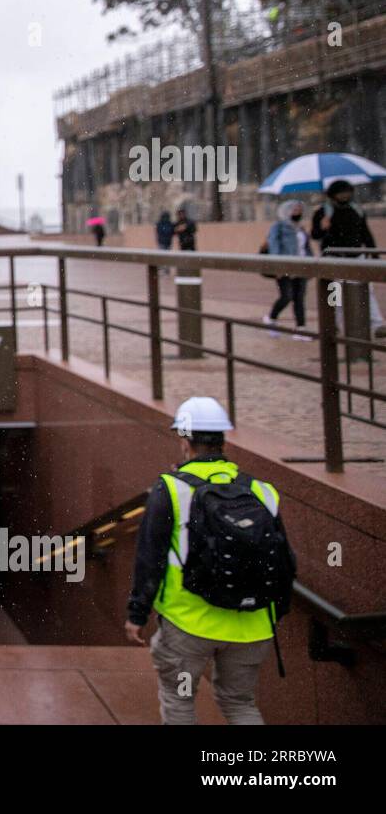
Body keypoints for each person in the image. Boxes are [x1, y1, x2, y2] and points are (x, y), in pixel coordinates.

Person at [124, 397, 295, 725]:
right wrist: (277, 611)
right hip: (253, 627)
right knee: (241, 703)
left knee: (180, 699)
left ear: (185, 443)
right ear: (222, 441)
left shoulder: (172, 489)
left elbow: (150, 558)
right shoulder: (262, 491)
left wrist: (137, 613)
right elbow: (285, 560)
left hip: (190, 625)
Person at [311, 179, 383, 336]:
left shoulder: (356, 210)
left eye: (347, 192)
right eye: (341, 192)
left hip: (356, 256)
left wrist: (374, 253)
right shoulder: (322, 212)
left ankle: (377, 324)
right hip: (333, 257)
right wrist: (323, 228)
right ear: (333, 194)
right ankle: (332, 323)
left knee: (366, 290)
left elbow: (365, 233)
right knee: (334, 292)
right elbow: (315, 235)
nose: (345, 195)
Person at [263, 199, 313, 340]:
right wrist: (277, 265)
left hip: (301, 267)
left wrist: (312, 264)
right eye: (294, 209)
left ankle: (301, 329)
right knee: (287, 296)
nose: (298, 212)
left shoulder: (300, 228)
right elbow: (274, 245)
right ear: (286, 211)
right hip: (285, 267)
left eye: (299, 209)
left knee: (299, 298)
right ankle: (271, 318)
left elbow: (306, 248)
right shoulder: (278, 226)